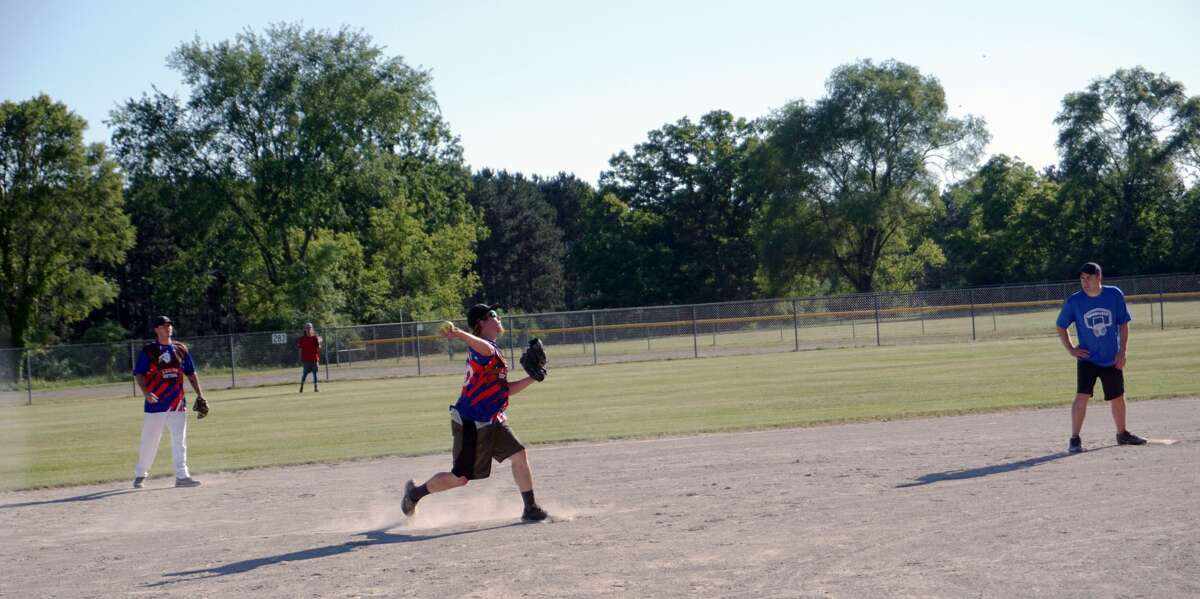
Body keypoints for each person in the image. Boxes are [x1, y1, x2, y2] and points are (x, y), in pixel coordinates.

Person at [400, 303, 549, 522]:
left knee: (519, 454)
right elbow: (482, 347)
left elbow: (504, 390)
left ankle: (530, 508)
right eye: (492, 315)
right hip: (471, 422)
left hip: (492, 418)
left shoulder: (494, 352)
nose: (498, 317)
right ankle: (414, 494)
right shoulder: (483, 350)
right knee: (459, 478)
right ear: (481, 323)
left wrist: (532, 378)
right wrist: (459, 333)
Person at [1055, 262, 1147, 453]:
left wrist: (1123, 351)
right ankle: (1075, 438)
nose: (1085, 281)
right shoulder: (1075, 301)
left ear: (1099, 278)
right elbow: (1061, 325)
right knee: (1082, 396)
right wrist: (1071, 349)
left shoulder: (1114, 295)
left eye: (1089, 277)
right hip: (1087, 358)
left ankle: (1122, 434)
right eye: (1082, 278)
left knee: (1118, 397)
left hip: (1111, 357)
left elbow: (1123, 323)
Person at [132, 316, 205, 488]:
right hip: (155, 402)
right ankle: (140, 473)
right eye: (164, 326)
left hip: (177, 402)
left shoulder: (180, 348)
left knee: (179, 440)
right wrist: (146, 392)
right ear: (156, 329)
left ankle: (182, 476)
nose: (168, 328)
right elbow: (139, 373)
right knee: (150, 440)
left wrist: (200, 394)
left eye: (170, 325)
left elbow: (191, 373)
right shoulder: (149, 350)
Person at [297, 322, 322, 393]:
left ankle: (316, 388)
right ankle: (301, 386)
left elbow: (318, 349)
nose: (308, 329)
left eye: (309, 327)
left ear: (312, 328)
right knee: (304, 374)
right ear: (304, 329)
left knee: (315, 374)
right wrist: (299, 359)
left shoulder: (315, 338)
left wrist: (319, 343)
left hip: (314, 359)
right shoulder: (302, 339)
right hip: (306, 360)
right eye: (307, 327)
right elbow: (300, 349)